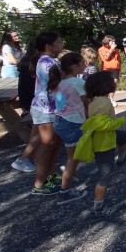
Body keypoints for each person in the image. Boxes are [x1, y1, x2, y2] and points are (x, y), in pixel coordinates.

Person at [74, 71, 126, 213]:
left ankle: (121, 157)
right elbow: (102, 125)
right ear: (105, 85)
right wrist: (122, 120)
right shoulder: (104, 102)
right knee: (105, 175)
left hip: (107, 136)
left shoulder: (96, 100)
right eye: (112, 80)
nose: (115, 82)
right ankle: (98, 207)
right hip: (103, 144)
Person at [50, 52, 89, 205]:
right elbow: (87, 102)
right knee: (73, 159)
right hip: (73, 123)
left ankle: (65, 172)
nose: (85, 66)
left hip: (59, 121)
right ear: (74, 67)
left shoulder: (58, 82)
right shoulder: (77, 82)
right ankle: (65, 192)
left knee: (69, 155)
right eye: (82, 63)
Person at [30, 32, 65, 195]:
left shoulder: (51, 61)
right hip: (45, 108)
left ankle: (50, 176)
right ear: (48, 46)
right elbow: (57, 84)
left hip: (54, 108)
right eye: (59, 41)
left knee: (55, 144)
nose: (62, 43)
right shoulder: (47, 63)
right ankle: (39, 184)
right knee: (47, 145)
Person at [11, 41, 40, 173]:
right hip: (35, 105)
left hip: (33, 104)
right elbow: (31, 89)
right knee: (37, 134)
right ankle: (23, 159)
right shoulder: (31, 66)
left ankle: (28, 159)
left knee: (40, 134)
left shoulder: (29, 64)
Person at [98, 35, 121, 107]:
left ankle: (111, 99)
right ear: (108, 41)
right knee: (107, 85)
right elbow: (105, 58)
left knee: (114, 84)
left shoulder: (116, 50)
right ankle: (105, 99)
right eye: (112, 41)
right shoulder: (101, 49)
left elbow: (119, 60)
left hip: (115, 69)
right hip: (106, 69)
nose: (114, 43)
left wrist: (119, 69)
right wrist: (111, 49)